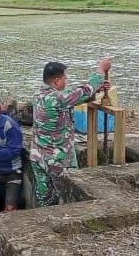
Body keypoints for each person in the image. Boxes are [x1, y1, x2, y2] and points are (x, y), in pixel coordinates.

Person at [30, 59, 111, 207]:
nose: (66, 81)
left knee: (45, 200)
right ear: (56, 81)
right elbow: (82, 92)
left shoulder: (39, 95)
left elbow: (73, 98)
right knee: (69, 199)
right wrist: (100, 71)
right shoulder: (57, 97)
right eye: (65, 78)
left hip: (38, 157)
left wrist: (97, 91)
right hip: (58, 160)